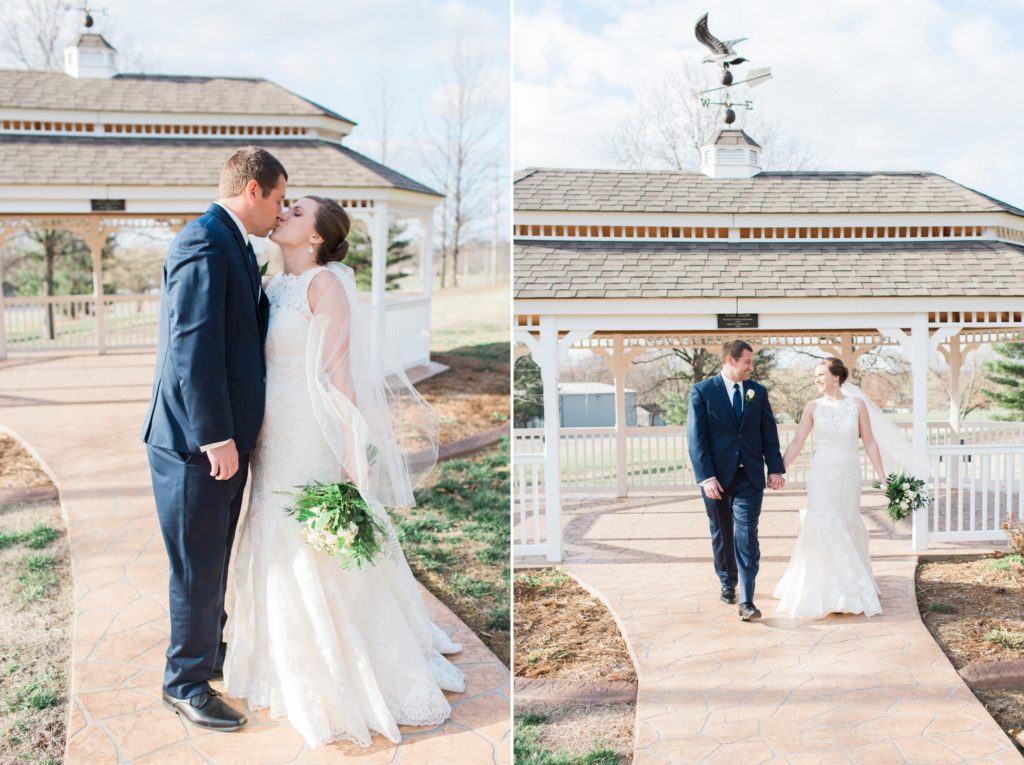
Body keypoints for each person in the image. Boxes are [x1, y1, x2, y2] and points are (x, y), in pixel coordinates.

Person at [223, 195, 465, 748]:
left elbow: (340, 376)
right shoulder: (270, 285)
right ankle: (283, 659)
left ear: (315, 238)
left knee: (311, 536)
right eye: (286, 205)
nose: (283, 212)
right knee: (270, 528)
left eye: (298, 211)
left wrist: (354, 450)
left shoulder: (325, 285)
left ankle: (347, 663)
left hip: (310, 430)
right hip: (270, 431)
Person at [142, 147, 285, 730]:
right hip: (193, 445)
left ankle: (208, 648)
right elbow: (192, 349)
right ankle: (184, 681)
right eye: (278, 199)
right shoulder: (203, 241)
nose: (280, 211)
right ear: (253, 190)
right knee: (197, 567)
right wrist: (216, 437)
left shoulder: (236, 243)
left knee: (213, 560)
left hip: (222, 441)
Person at [772, 357, 887, 619]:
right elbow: (797, 442)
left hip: (848, 474)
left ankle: (850, 587)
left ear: (836, 376)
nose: (817, 380)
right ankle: (824, 589)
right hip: (822, 474)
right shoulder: (812, 407)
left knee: (846, 522)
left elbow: (869, 442)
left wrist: (883, 476)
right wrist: (779, 470)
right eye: (815, 376)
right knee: (824, 523)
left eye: (821, 374)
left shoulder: (857, 405)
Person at [686, 340, 786, 621]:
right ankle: (727, 581)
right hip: (715, 479)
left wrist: (775, 469)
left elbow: (769, 434)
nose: (750, 368)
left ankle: (747, 599)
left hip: (749, 477)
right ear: (730, 360)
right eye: (747, 363)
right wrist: (706, 477)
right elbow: (697, 440)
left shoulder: (758, 392)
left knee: (746, 534)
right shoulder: (703, 392)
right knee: (721, 531)